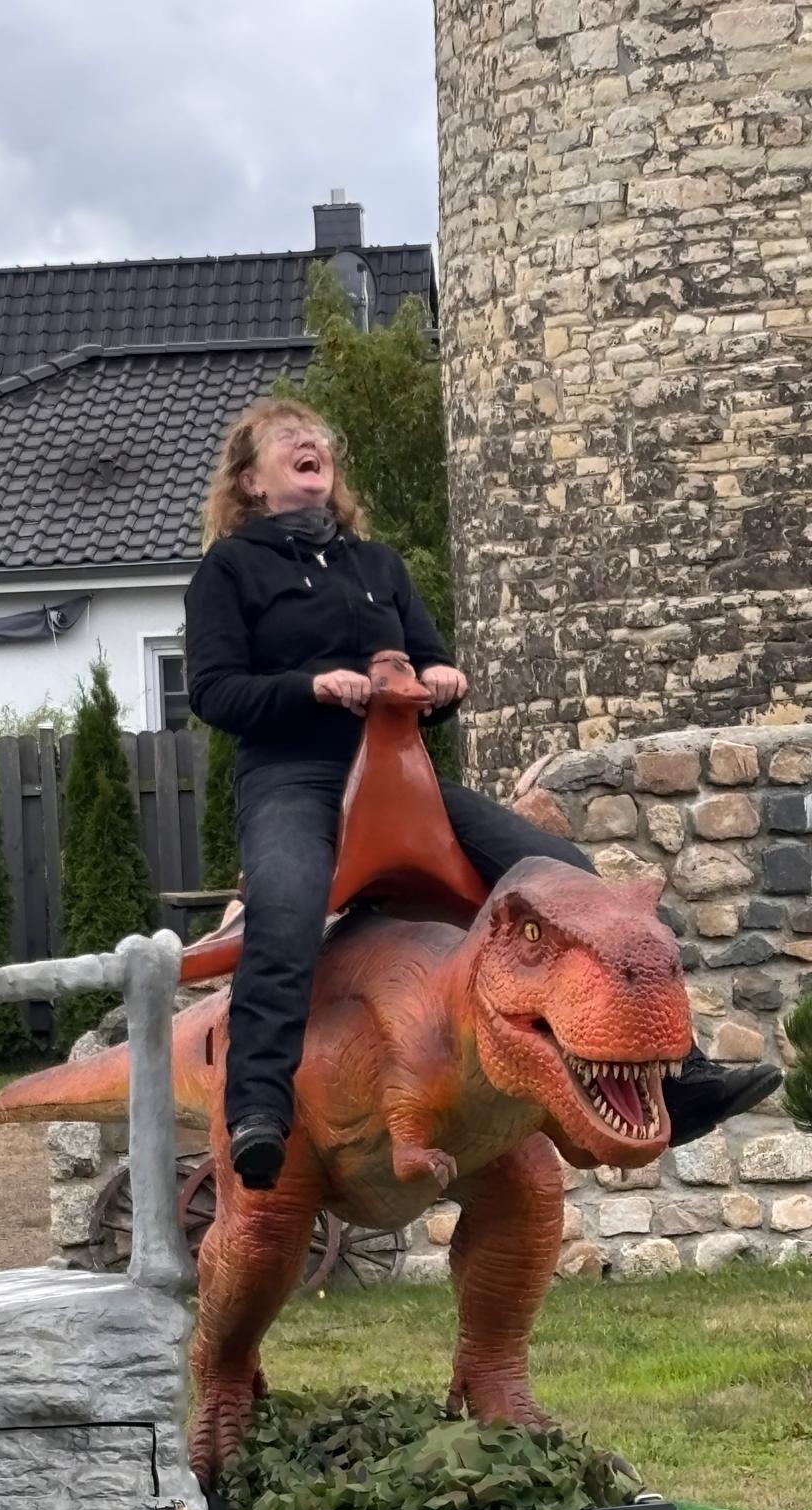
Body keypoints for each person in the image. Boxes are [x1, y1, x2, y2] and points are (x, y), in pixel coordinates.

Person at [184, 397, 780, 1190]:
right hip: (293, 776)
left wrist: (443, 682)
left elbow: (428, 661)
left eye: (317, 438)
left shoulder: (377, 565)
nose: (309, 442)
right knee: (286, 908)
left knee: (566, 875)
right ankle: (258, 1109)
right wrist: (309, 689)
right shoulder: (230, 569)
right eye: (287, 438)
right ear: (251, 481)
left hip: (401, 778)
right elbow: (214, 691)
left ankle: (678, 1075)